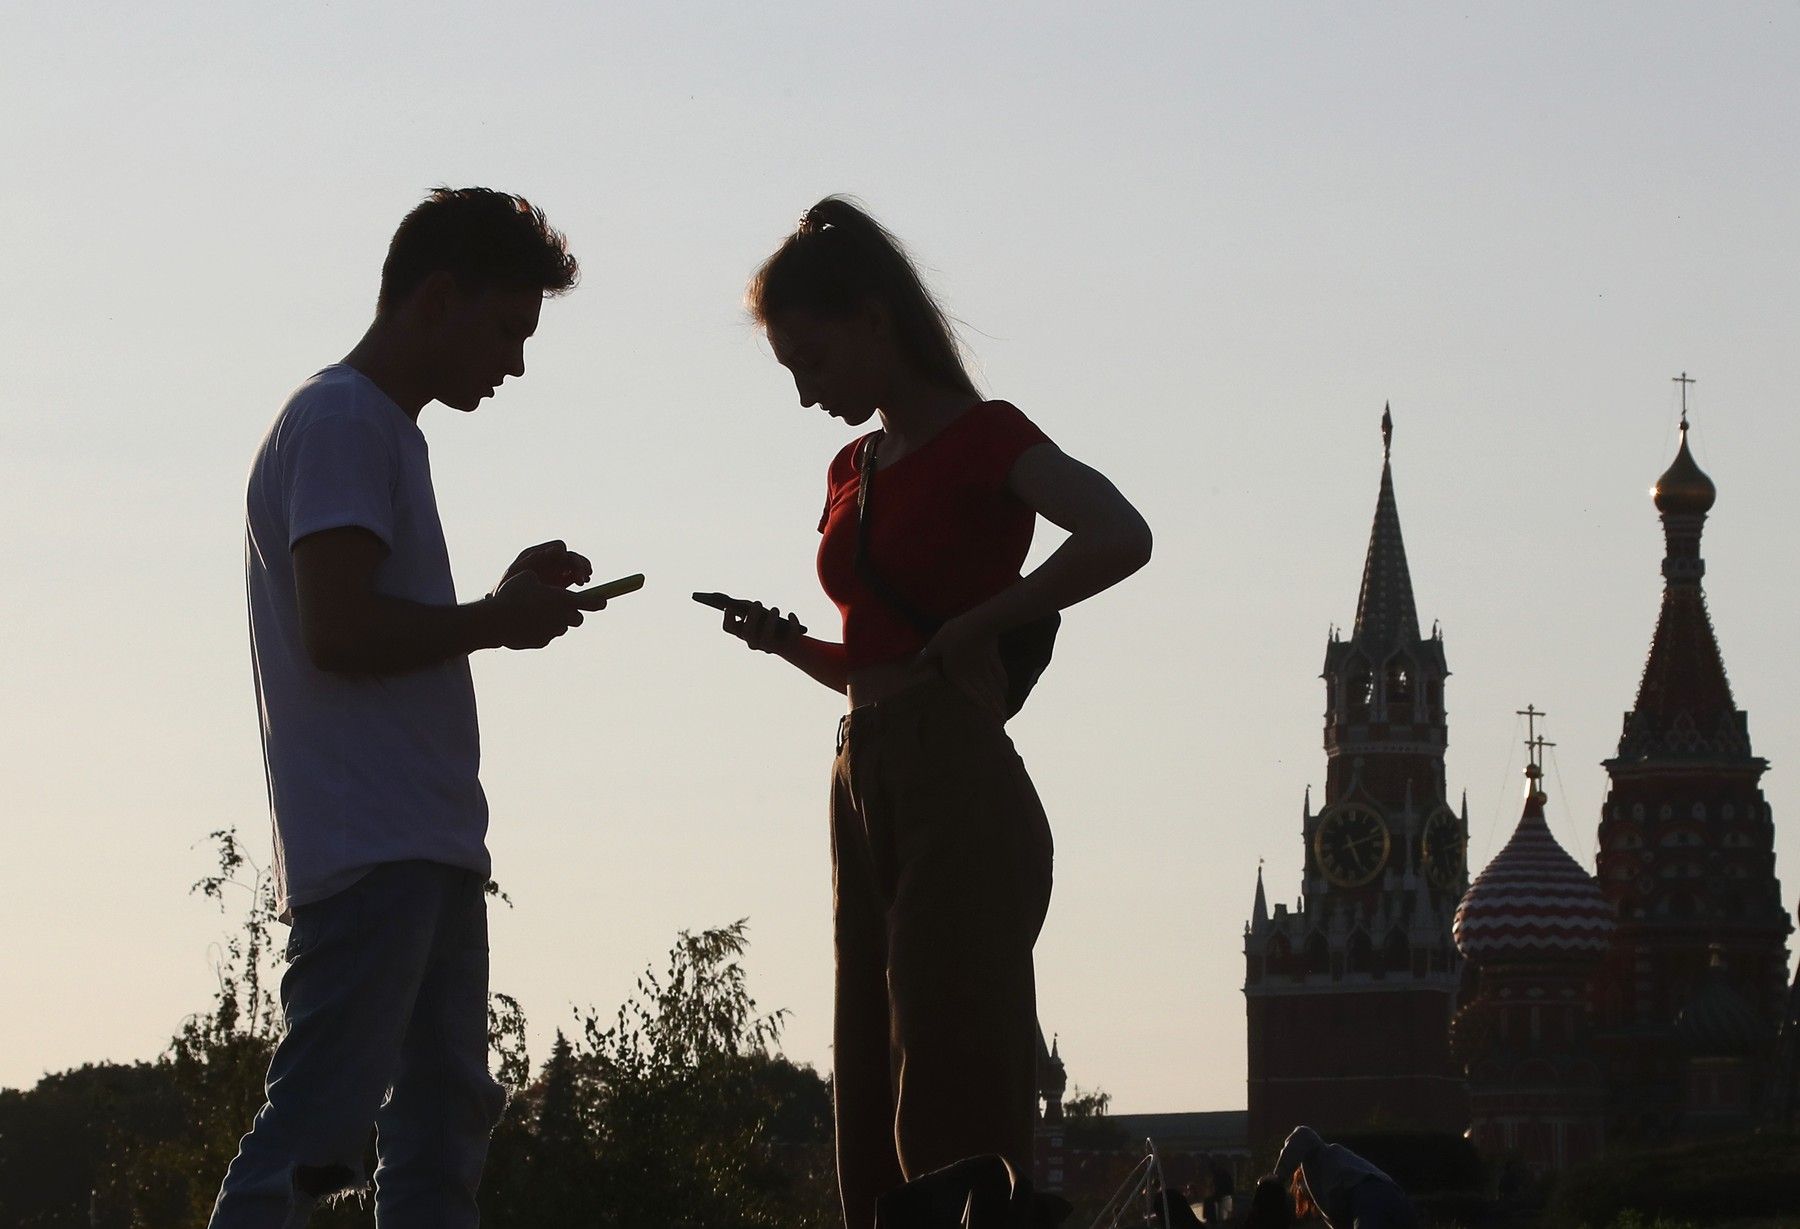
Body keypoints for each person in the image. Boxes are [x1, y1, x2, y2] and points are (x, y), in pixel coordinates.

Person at [714, 196, 1152, 1229]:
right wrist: (789, 645)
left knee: (952, 1071)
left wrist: (986, 620)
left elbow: (1120, 532)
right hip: (861, 769)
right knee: (870, 1071)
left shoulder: (984, 437)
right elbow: (882, 662)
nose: (806, 391)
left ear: (874, 319)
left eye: (813, 360)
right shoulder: (851, 469)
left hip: (954, 771)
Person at [211, 187, 603, 1228]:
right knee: (317, 1135)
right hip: (375, 847)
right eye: (508, 329)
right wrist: (495, 620)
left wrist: (496, 607)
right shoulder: (343, 420)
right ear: (438, 298)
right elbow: (339, 629)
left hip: (418, 843)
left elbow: (365, 619)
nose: (514, 364)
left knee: (437, 1135)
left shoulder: (370, 426)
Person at [1244, 1125, 1420, 1229]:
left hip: (1368, 1197)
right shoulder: (1335, 1192)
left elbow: (1303, 1134)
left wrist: (1278, 1177)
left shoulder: (1318, 1161)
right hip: (1395, 1199)